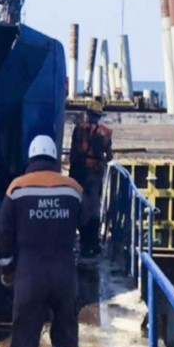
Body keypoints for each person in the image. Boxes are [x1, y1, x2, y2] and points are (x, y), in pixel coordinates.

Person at [0, 135, 83, 347]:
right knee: (66, 332)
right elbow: (86, 224)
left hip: (29, 275)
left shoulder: (16, 188)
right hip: (64, 273)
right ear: (55, 157)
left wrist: (7, 268)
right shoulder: (73, 190)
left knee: (24, 337)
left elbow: (2, 234)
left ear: (31, 157)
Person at [69, 100, 113, 261]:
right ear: (99, 116)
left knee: (77, 206)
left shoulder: (78, 129)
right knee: (93, 208)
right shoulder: (105, 133)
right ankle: (91, 244)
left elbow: (73, 149)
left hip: (77, 172)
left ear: (88, 114)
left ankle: (78, 239)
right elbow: (109, 156)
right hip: (94, 174)